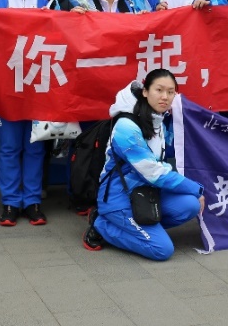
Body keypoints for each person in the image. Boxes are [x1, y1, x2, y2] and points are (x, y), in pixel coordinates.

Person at [0, 0, 70, 226]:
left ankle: (32, 201)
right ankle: (10, 202)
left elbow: (66, 32)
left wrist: (76, 15)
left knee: (35, 145)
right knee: (10, 145)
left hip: (40, 79)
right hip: (6, 80)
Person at [82, 69, 204, 260]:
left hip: (146, 194)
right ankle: (101, 225)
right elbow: (154, 173)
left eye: (171, 92)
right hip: (119, 198)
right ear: (145, 91)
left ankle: (137, 230)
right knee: (162, 250)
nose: (165, 97)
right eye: (159, 90)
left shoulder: (157, 119)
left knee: (190, 204)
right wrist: (196, 188)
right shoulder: (126, 126)